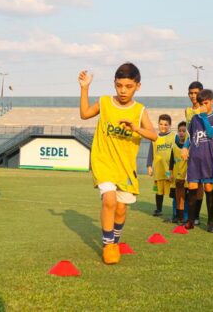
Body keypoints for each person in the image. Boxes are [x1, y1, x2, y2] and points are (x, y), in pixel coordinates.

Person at [79, 63, 157, 265]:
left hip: (125, 167)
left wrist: (136, 128)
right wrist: (85, 87)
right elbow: (85, 114)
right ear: (114, 84)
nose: (123, 90)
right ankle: (108, 246)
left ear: (137, 86)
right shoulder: (105, 102)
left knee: (121, 209)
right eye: (119, 85)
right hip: (103, 160)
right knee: (109, 201)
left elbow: (154, 135)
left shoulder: (139, 110)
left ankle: (115, 241)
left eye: (128, 86)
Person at [182, 89, 213, 233]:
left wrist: (203, 116)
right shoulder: (195, 119)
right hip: (195, 158)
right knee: (192, 187)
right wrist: (184, 147)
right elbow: (190, 136)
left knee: (208, 188)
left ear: (212, 101)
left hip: (208, 158)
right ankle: (191, 221)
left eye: (206, 103)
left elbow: (211, 133)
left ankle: (210, 221)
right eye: (201, 103)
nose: (203, 106)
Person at [147, 114, 176, 217]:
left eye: (166, 124)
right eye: (161, 124)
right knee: (159, 191)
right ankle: (158, 209)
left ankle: (176, 211)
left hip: (170, 169)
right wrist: (149, 165)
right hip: (158, 169)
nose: (163, 126)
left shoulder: (174, 137)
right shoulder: (155, 137)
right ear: (158, 124)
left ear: (170, 125)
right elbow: (151, 152)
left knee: (173, 190)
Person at [185, 81, 205, 225]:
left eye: (196, 93)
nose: (193, 96)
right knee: (191, 184)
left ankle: (197, 215)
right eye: (191, 93)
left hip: (203, 151)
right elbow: (188, 133)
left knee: (202, 184)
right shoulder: (187, 110)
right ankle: (189, 216)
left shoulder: (205, 109)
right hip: (190, 151)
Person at [169, 121, 189, 224]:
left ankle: (185, 217)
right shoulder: (174, 145)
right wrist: (170, 174)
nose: (181, 133)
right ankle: (175, 216)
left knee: (185, 198)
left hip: (186, 178)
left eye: (184, 131)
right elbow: (171, 161)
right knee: (175, 198)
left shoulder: (189, 146)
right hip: (176, 177)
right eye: (180, 131)